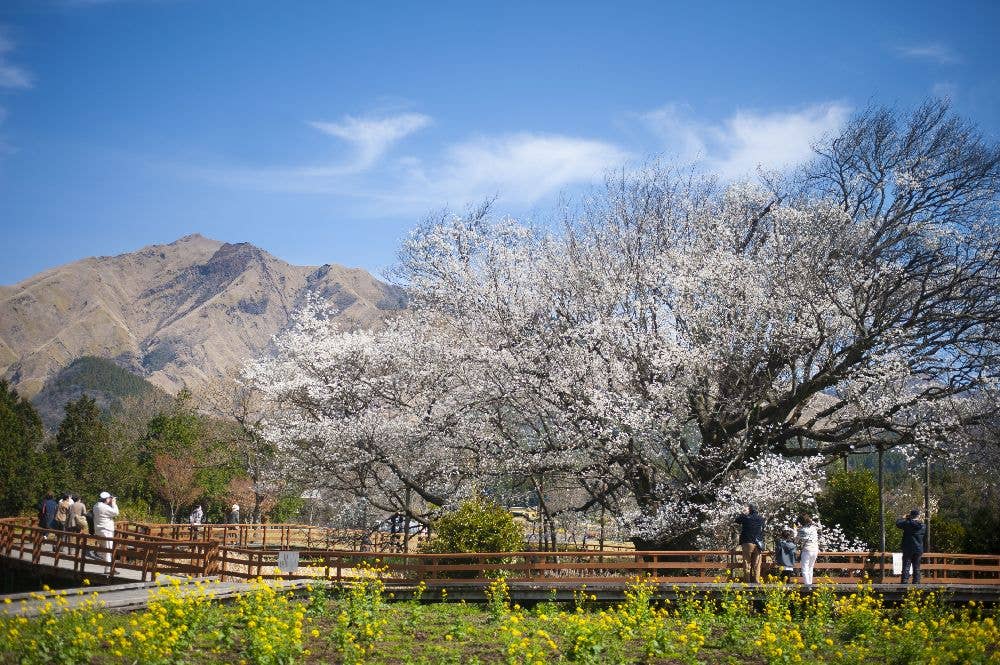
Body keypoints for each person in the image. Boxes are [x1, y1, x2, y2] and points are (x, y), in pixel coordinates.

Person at [735, 504, 766, 583]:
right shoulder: (761, 518)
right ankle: (756, 580)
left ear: (749, 510)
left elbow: (737, 521)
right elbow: (763, 529)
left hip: (747, 542)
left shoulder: (745, 517)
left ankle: (747, 581)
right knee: (757, 563)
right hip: (758, 543)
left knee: (747, 562)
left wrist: (743, 513)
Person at [895, 509, 927, 584]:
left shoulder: (907, 524)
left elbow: (898, 523)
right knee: (917, 567)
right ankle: (916, 583)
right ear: (918, 516)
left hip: (907, 548)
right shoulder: (923, 526)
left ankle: (904, 583)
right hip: (918, 549)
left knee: (906, 566)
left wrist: (904, 518)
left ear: (911, 515)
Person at [91, 492, 119, 563]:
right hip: (106, 531)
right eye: (109, 498)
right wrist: (114, 503)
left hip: (98, 530)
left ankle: (108, 567)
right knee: (108, 549)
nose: (110, 499)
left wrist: (110, 502)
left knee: (105, 550)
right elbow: (116, 512)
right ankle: (108, 569)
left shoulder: (96, 505)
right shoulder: (104, 507)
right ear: (106, 499)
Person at [796, 514, 820, 586]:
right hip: (815, 549)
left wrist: (796, 530)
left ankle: (807, 585)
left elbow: (796, 540)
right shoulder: (814, 528)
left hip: (807, 550)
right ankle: (810, 583)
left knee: (805, 567)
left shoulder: (802, 530)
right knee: (811, 567)